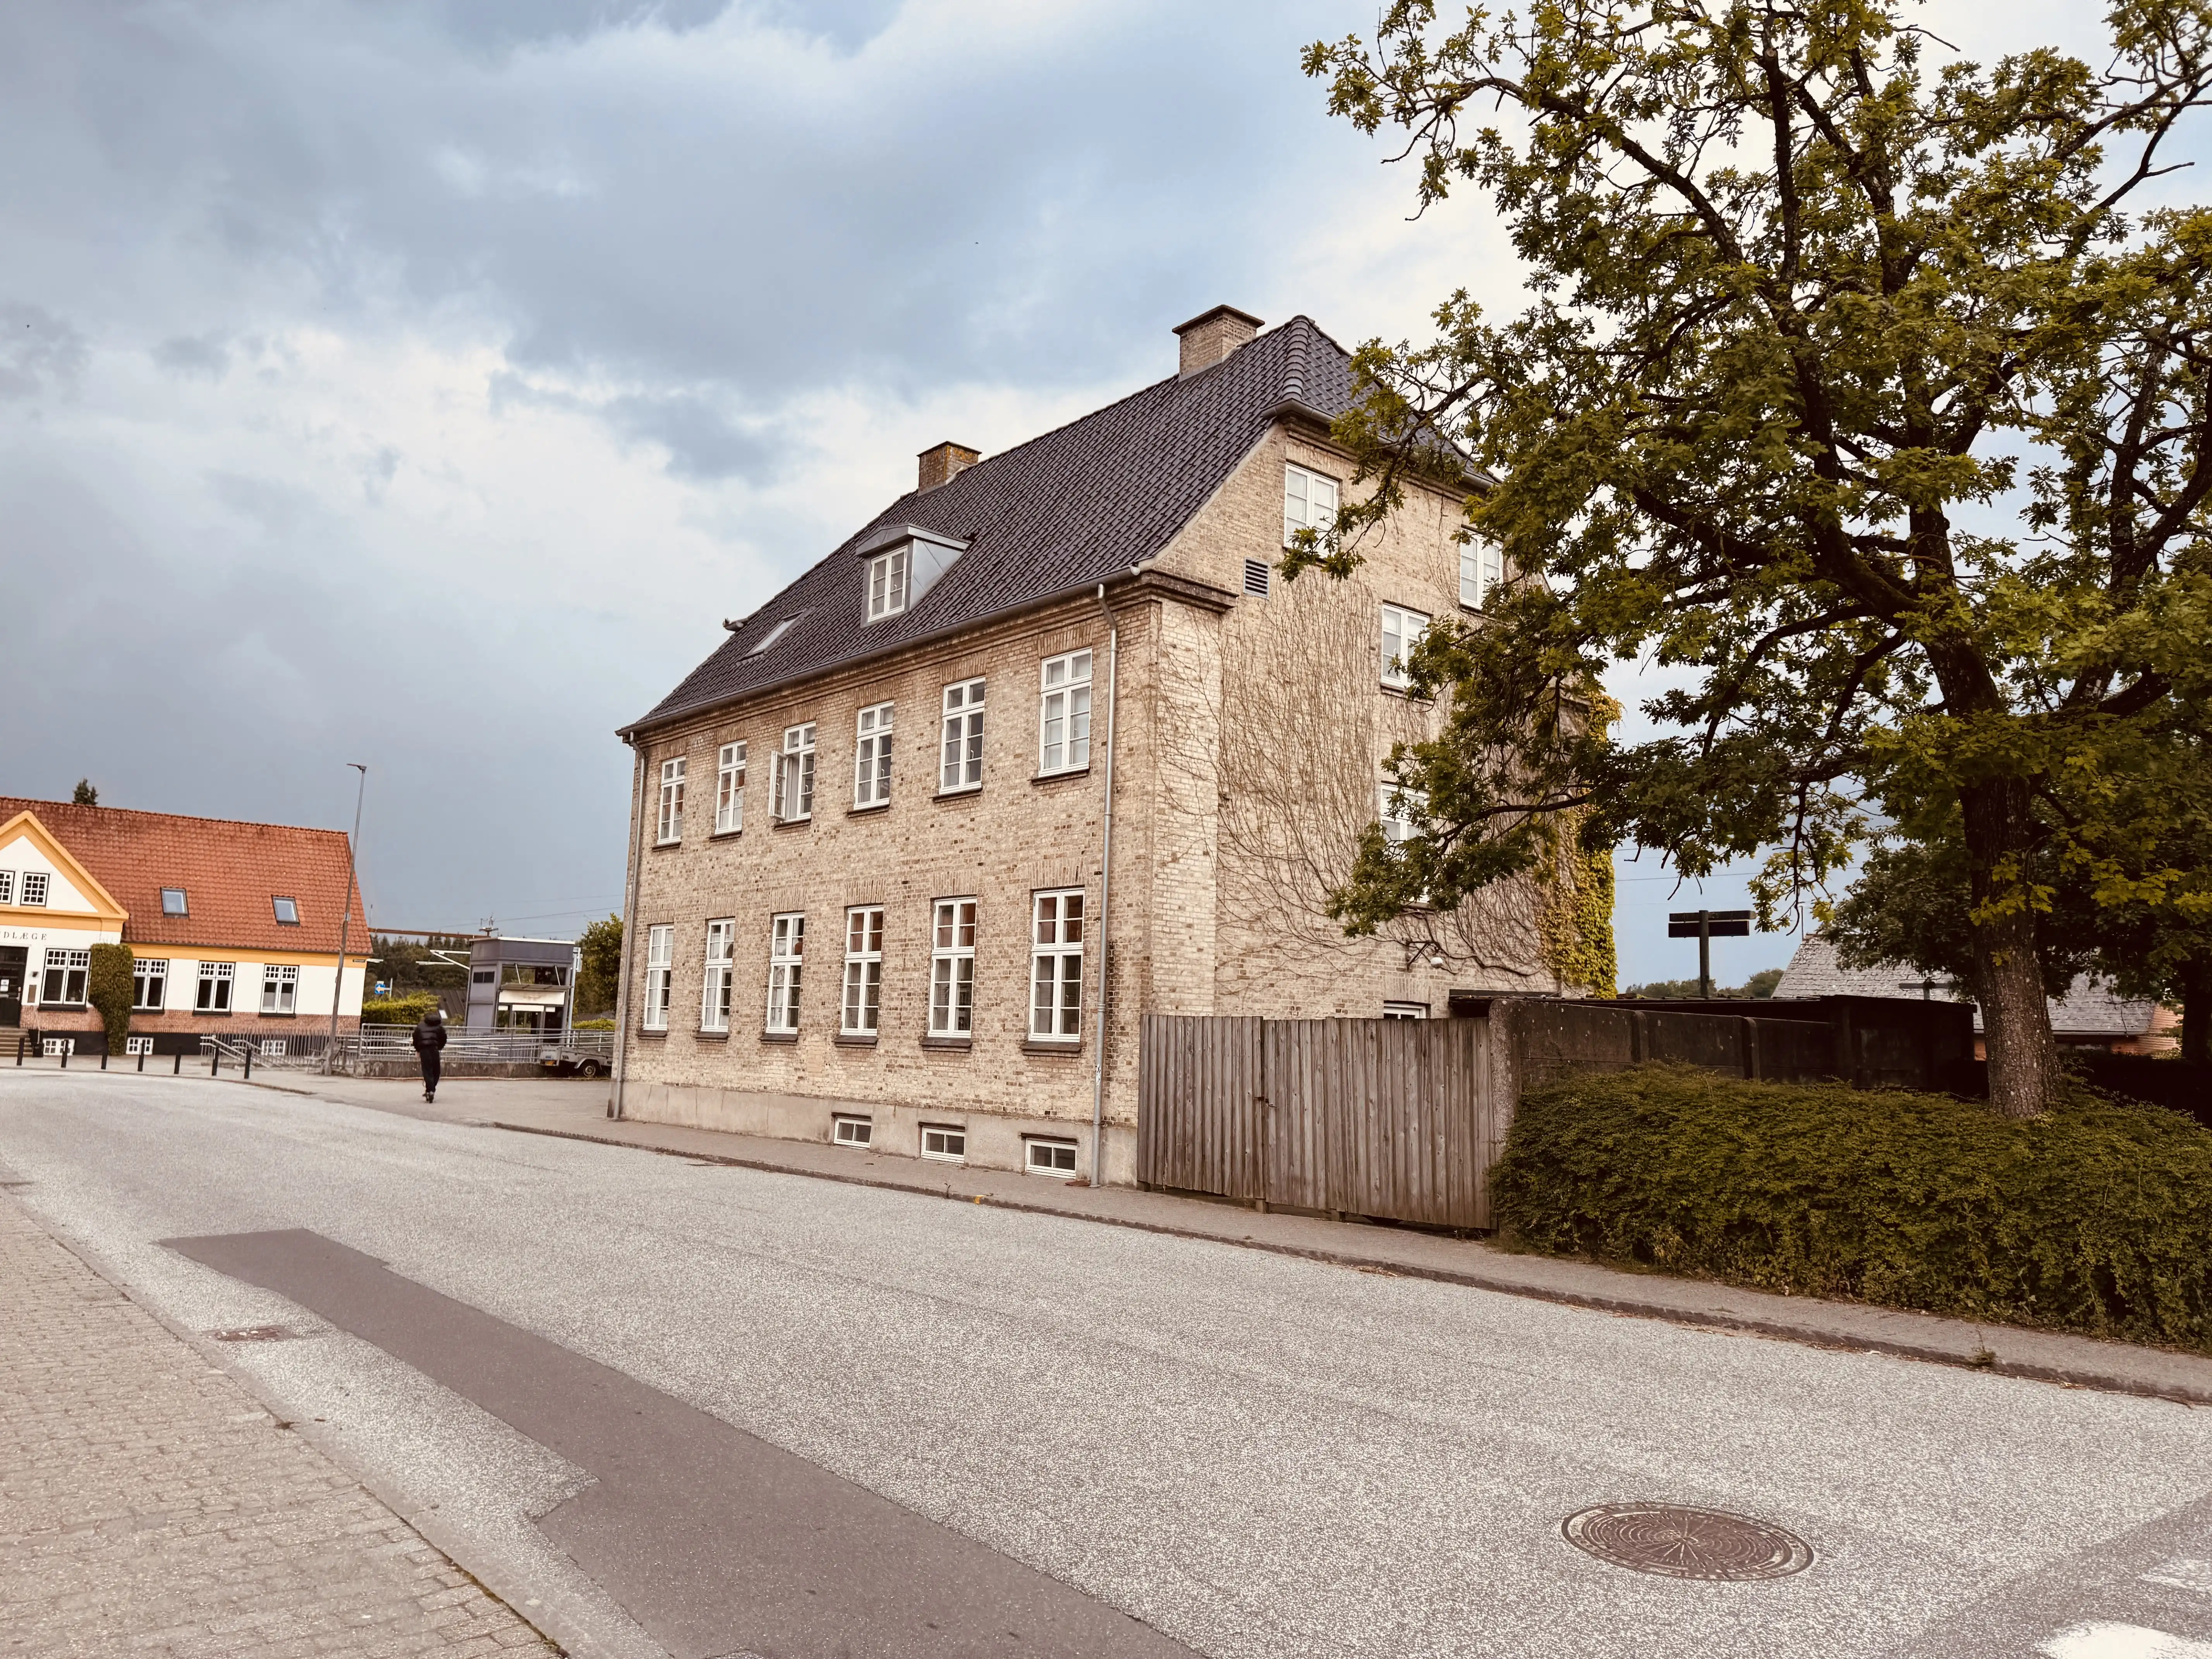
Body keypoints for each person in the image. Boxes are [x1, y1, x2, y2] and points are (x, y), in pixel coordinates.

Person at [412, 1007, 448, 1103]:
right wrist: (439, 1047)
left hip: (424, 1050)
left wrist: (418, 1049)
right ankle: (431, 1090)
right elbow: (444, 1038)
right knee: (436, 1071)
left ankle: (430, 1090)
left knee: (427, 1071)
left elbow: (415, 1039)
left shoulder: (420, 1026)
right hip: (434, 1049)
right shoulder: (439, 1027)